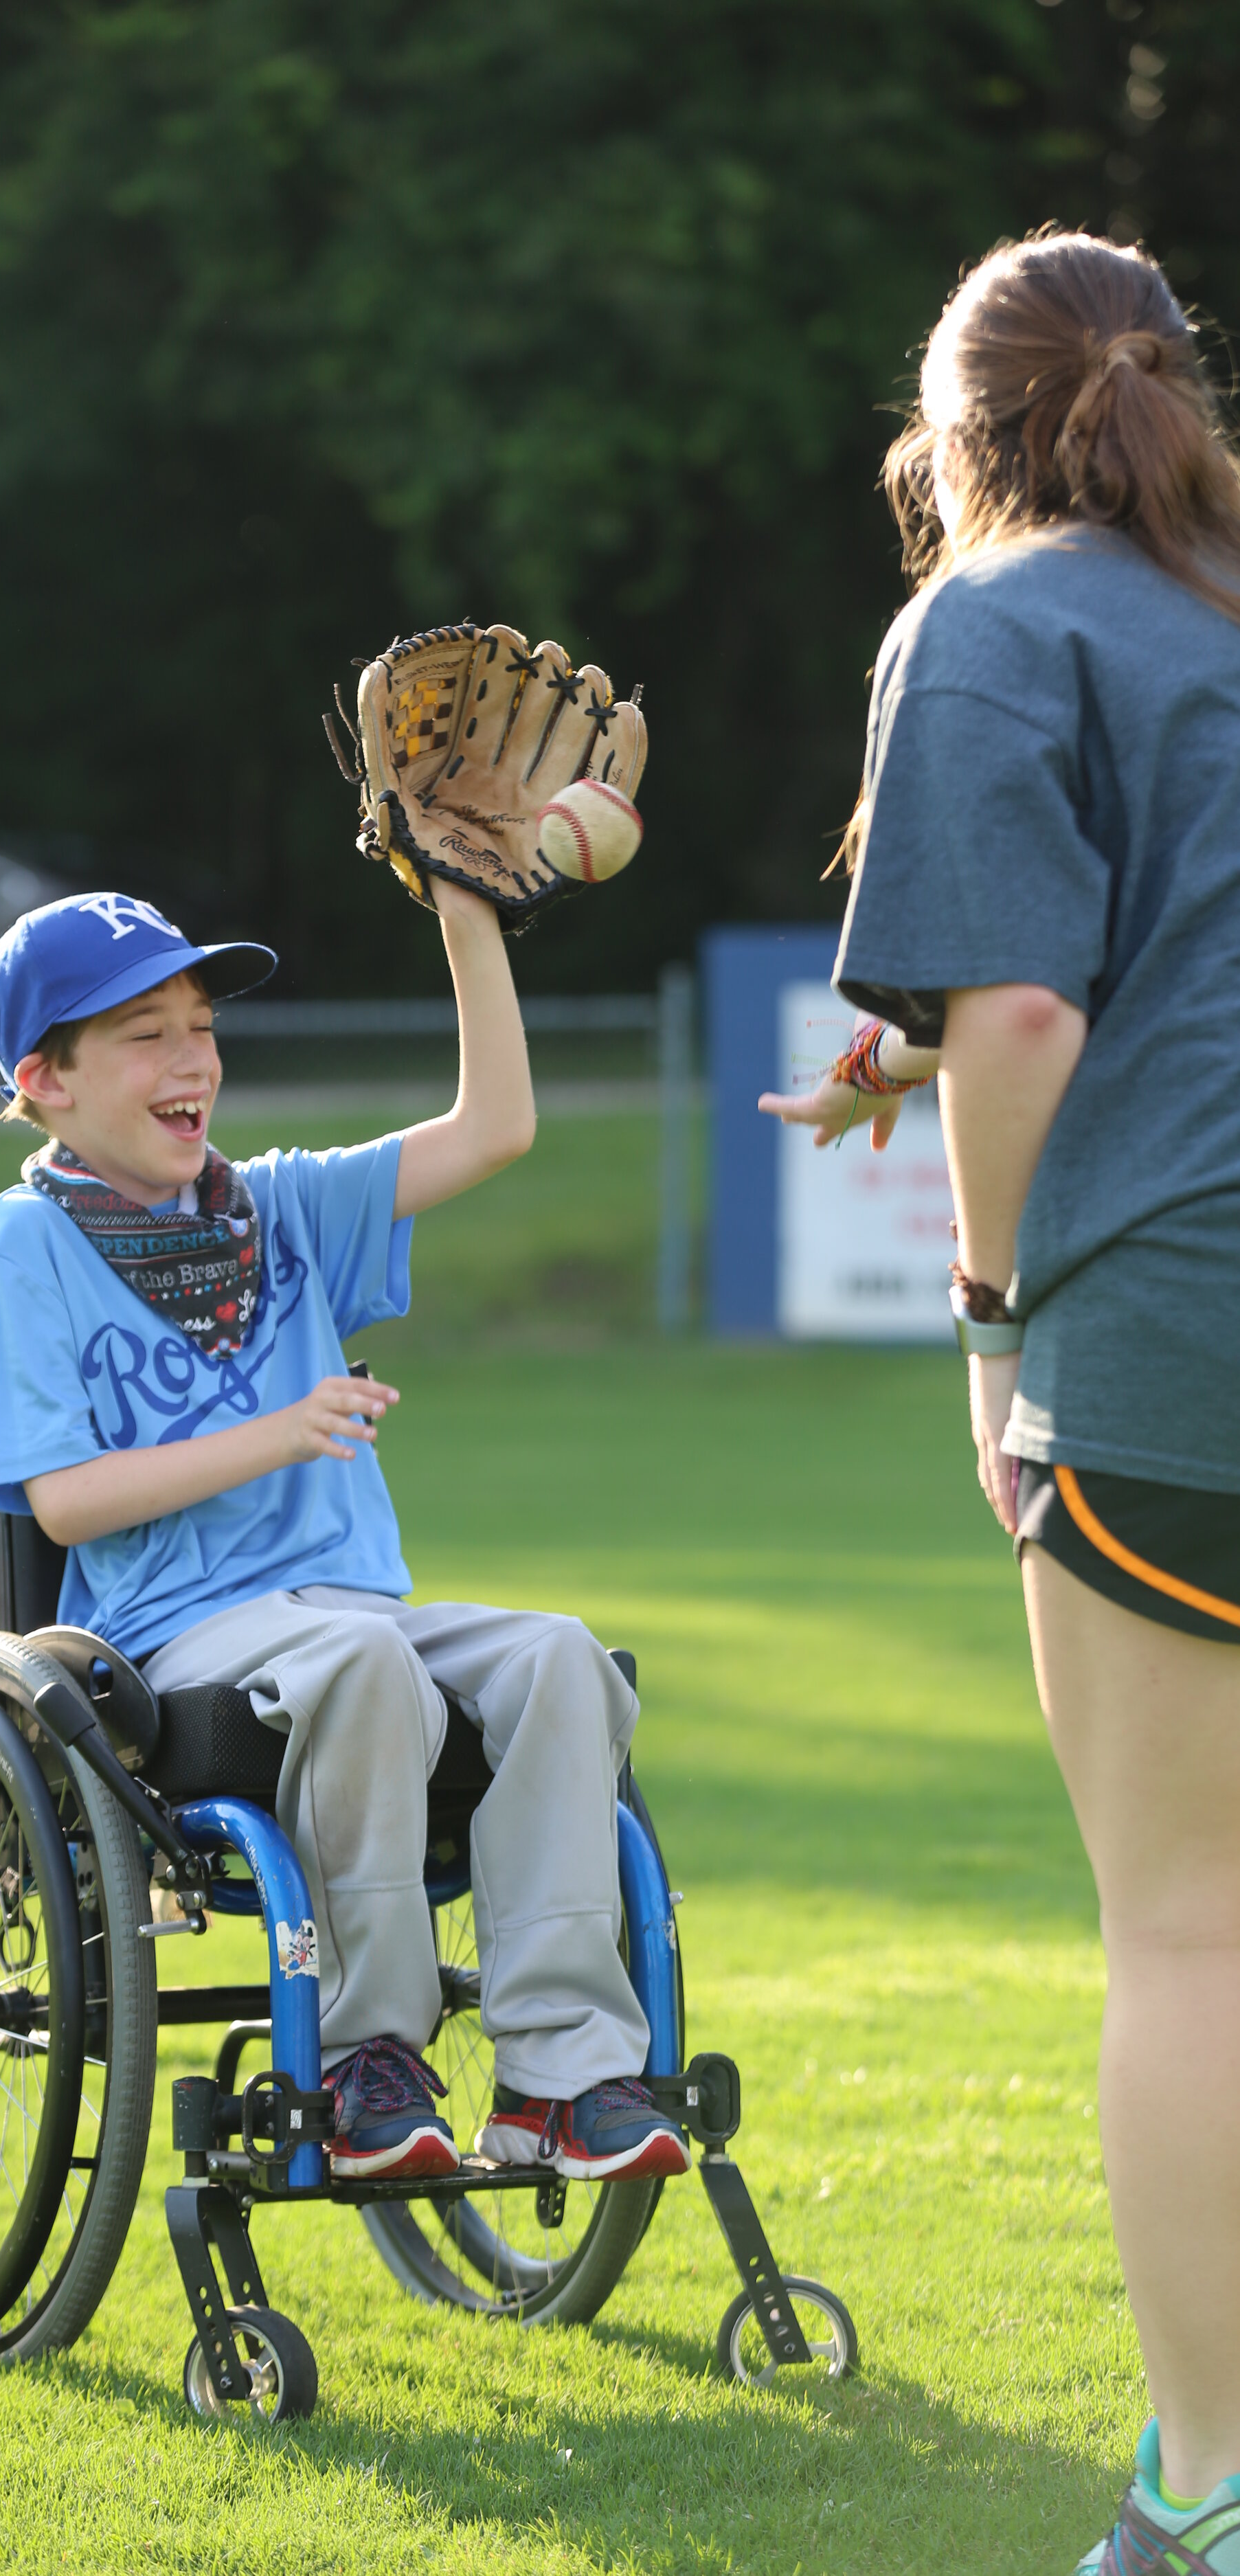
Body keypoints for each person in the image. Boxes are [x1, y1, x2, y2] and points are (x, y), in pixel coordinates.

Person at [760, 231, 1240, 2574]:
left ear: (956, 434)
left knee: (1191, 1936)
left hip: (1179, 1336)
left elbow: (1039, 1022)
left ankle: (1205, 2495)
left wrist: (979, 1310)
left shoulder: (992, 612)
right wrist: (942, 1046)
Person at [0, 881, 686, 2189]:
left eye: (202, 1027)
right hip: (171, 1643)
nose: (193, 1059)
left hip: (354, 1613)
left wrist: (467, 912)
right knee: (364, 1667)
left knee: (564, 1659)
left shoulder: (279, 1209)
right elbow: (60, 1500)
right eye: (144, 1033)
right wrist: (276, 1432)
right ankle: (365, 2059)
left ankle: (562, 2079)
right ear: (44, 1080)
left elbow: (498, 1127)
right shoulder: (30, 1238)